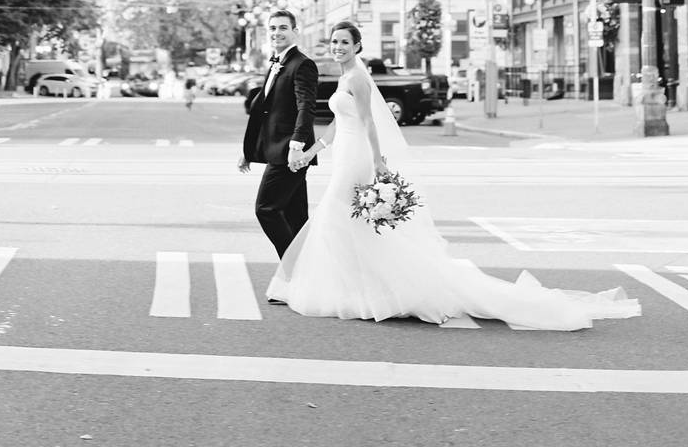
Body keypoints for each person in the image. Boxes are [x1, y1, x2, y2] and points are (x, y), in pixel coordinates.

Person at [266, 21, 641, 330]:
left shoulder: (358, 79)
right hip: (344, 153)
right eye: (333, 42)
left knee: (334, 216)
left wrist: (378, 162)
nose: (337, 47)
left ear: (357, 46)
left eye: (344, 42)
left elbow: (367, 121)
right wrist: (314, 151)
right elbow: (336, 123)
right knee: (348, 224)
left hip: (358, 158)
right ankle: (359, 286)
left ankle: (356, 287)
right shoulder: (345, 76)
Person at [238, 9, 318, 260]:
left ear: (295, 31)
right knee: (296, 218)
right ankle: (307, 278)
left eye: (283, 27)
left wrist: (296, 146)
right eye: (272, 28)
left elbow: (306, 107)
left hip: (290, 152)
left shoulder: (302, 64)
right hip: (278, 149)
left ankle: (294, 268)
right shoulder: (276, 63)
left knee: (266, 209)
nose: (277, 33)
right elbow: (264, 110)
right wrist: (248, 152)